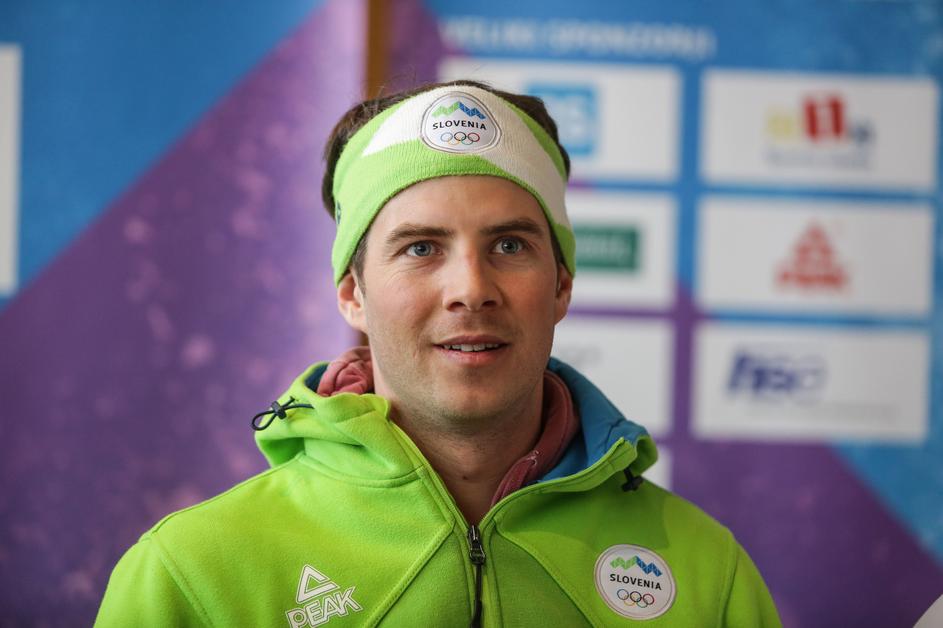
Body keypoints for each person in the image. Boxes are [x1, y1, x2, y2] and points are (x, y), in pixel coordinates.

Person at [96, 80, 781, 627]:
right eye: (420, 248)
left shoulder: (703, 572)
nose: (471, 289)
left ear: (561, 285)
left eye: (509, 245)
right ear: (353, 294)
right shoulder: (192, 573)